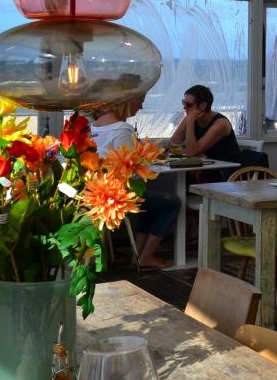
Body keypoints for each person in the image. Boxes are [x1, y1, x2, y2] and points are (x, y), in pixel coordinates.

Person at [89, 95, 181, 270]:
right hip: (120, 195)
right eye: (140, 100)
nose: (142, 105)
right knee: (172, 203)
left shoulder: (96, 126)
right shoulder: (123, 129)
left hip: (100, 192)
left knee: (148, 201)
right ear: (127, 101)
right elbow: (131, 171)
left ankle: (139, 254)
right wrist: (148, 163)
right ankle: (145, 256)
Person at [170, 84, 243, 166]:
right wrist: (195, 154)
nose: (184, 108)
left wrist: (190, 123)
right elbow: (173, 142)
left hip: (226, 170)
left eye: (189, 105)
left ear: (203, 106)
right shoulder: (190, 117)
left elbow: (191, 152)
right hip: (206, 166)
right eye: (184, 103)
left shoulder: (221, 124)